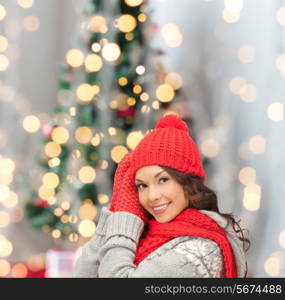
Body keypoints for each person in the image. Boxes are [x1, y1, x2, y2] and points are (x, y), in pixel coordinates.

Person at [74, 114, 249, 278]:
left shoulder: (200, 251)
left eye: (163, 180)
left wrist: (124, 219)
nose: (152, 196)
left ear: (187, 182)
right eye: (142, 185)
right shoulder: (144, 233)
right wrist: (115, 216)